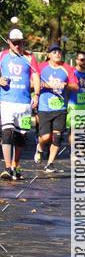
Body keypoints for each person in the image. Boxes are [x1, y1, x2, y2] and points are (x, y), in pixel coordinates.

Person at [0, 28, 40, 180]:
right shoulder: (2, 56)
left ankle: (15, 166)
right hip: (6, 101)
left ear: (23, 42)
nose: (17, 46)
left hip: (24, 103)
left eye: (20, 43)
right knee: (7, 132)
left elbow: (36, 76)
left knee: (20, 138)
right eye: (14, 43)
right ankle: (7, 167)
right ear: (9, 42)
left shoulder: (29, 58)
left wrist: (36, 94)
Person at [35, 44, 78, 172]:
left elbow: (76, 86)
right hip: (44, 107)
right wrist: (45, 85)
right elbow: (32, 82)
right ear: (49, 55)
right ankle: (40, 148)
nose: (57, 54)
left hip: (60, 108)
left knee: (57, 136)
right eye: (54, 52)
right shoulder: (41, 67)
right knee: (45, 137)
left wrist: (65, 85)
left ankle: (50, 163)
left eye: (59, 52)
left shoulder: (67, 68)